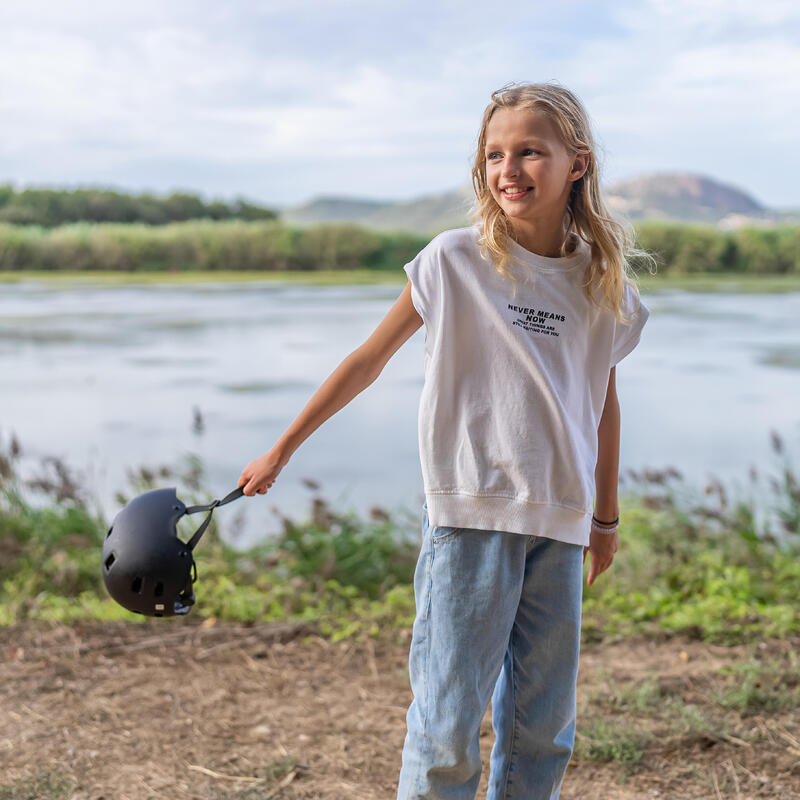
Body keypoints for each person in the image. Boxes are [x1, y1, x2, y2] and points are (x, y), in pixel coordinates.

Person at [239, 81, 652, 800]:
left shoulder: (600, 284)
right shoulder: (454, 261)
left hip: (558, 523)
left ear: (576, 163)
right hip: (470, 520)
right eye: (495, 154)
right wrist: (282, 448)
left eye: (530, 151)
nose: (509, 168)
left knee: (544, 730)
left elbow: (603, 402)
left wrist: (605, 518)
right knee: (447, 728)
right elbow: (368, 360)